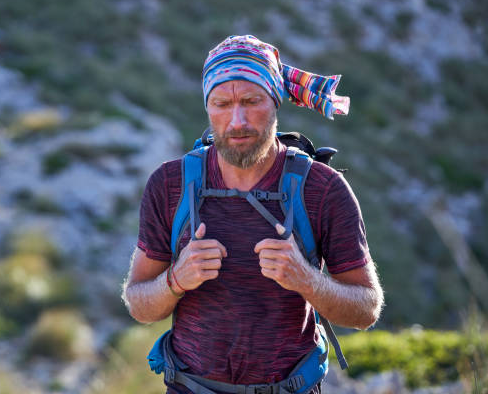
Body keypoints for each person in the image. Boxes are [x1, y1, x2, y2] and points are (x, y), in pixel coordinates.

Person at [123, 35, 384, 394]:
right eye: (222, 104)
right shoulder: (169, 185)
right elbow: (139, 303)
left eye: (251, 101)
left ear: (276, 102)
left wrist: (307, 281)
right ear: (207, 107)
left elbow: (367, 308)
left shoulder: (322, 189)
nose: (237, 120)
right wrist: (176, 280)